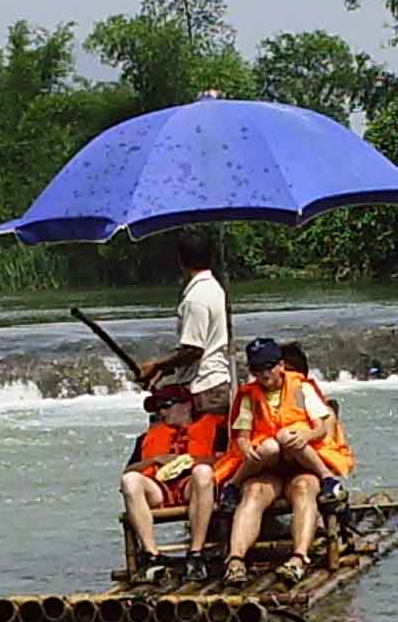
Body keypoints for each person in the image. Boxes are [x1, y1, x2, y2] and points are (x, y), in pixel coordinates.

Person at [216, 337, 355, 587]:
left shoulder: (302, 388)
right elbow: (242, 434)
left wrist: (308, 435)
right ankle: (236, 560)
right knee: (255, 491)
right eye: (257, 369)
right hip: (266, 465)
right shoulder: (249, 396)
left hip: (302, 462)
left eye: (268, 367)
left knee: (303, 487)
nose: (264, 374)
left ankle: (299, 558)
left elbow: (322, 426)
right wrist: (246, 448)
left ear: (281, 366)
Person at [119, 385, 228, 582]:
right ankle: (152, 556)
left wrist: (191, 460)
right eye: (159, 408)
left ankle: (196, 554)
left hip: (191, 485)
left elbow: (226, 459)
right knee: (130, 481)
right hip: (159, 489)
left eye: (166, 405)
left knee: (203, 473)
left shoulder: (215, 427)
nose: (162, 412)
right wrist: (154, 461)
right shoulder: (148, 436)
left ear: (186, 406)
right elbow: (128, 470)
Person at [136, 232, 232, 418]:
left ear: (180, 261)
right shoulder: (215, 288)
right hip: (217, 383)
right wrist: (164, 370)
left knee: (198, 442)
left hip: (203, 388)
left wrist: (156, 366)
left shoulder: (195, 299)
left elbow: (194, 350)